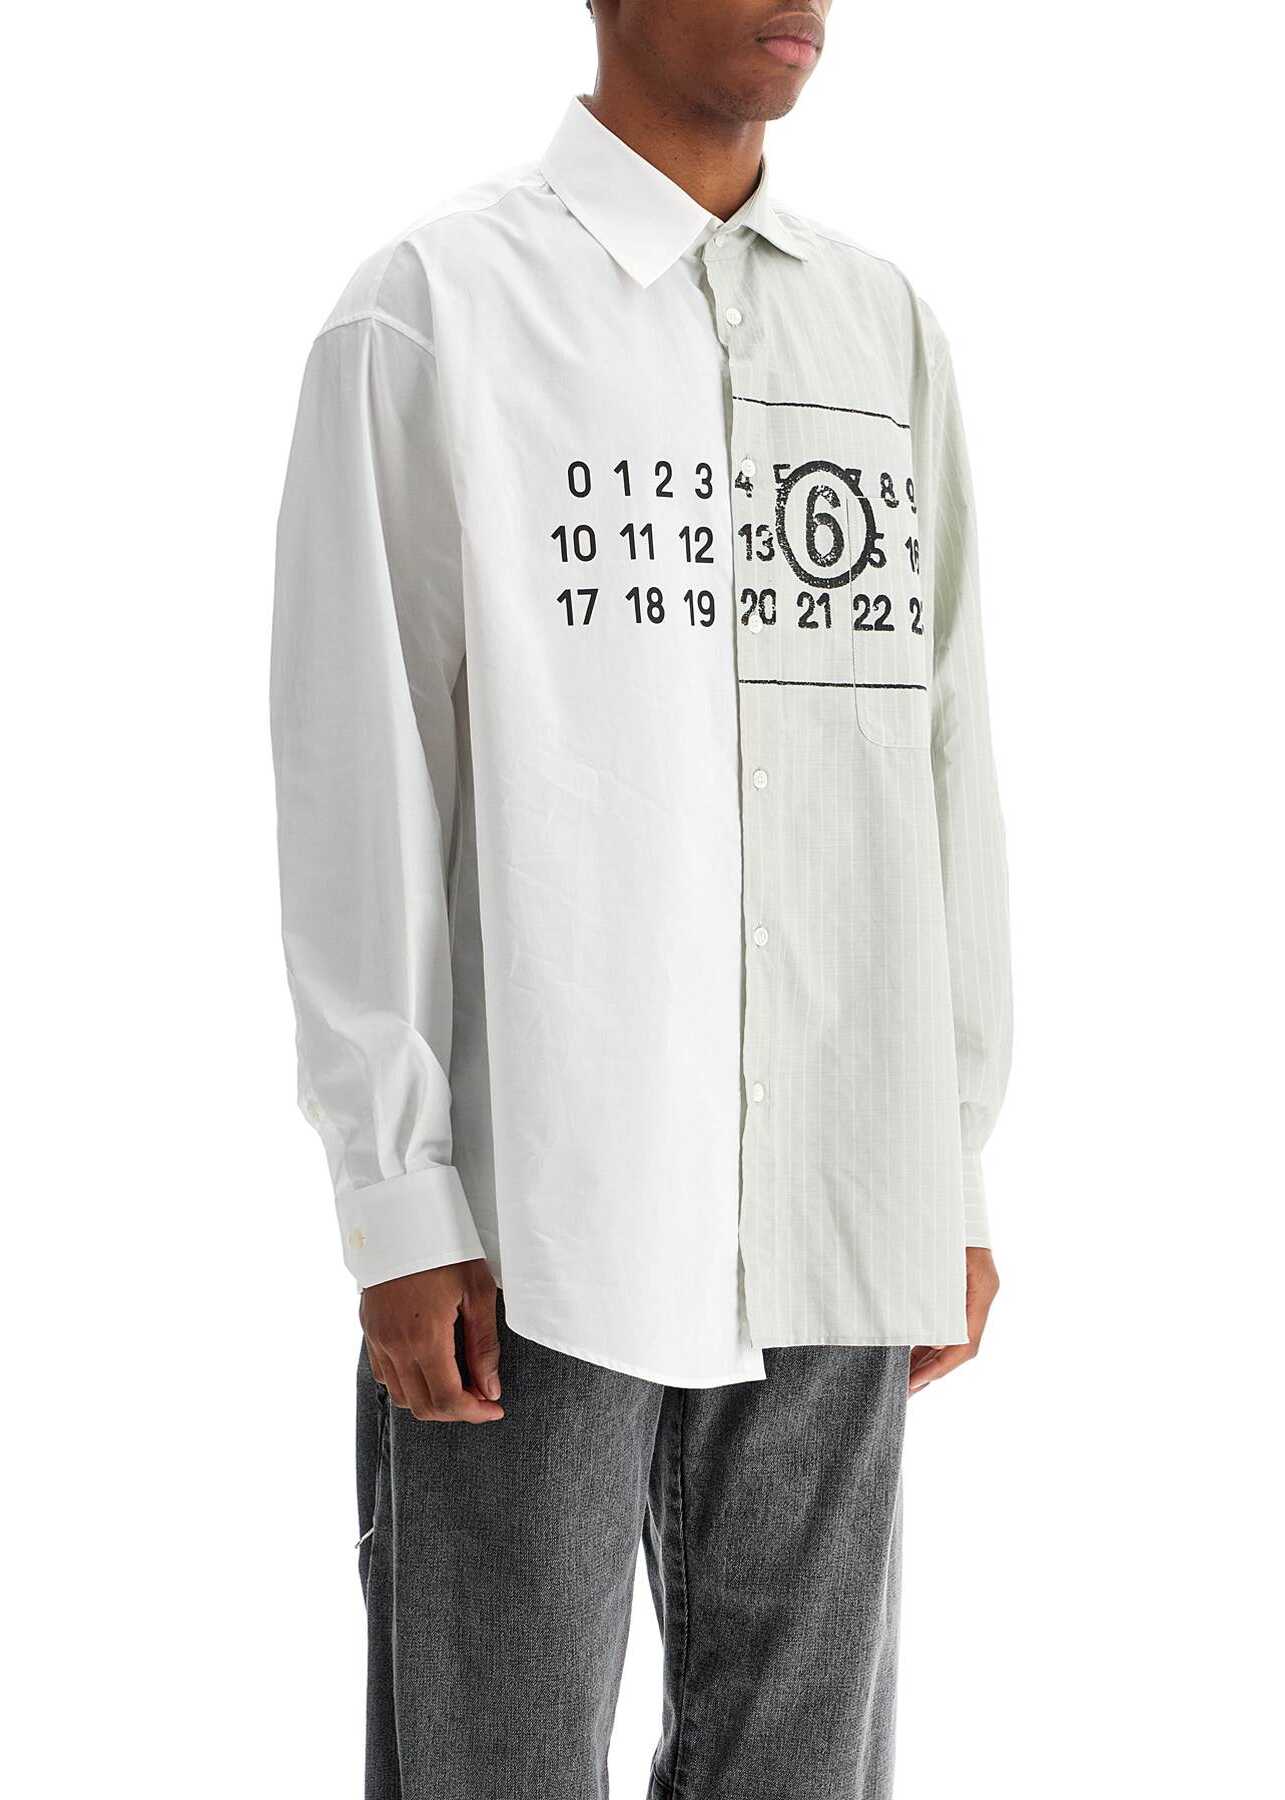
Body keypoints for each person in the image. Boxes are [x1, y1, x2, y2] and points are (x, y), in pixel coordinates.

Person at [271, 2, 1012, 1794]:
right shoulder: (435, 308)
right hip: (542, 1207)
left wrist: (945, 1161)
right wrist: (396, 1192)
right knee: (494, 1760)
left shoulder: (877, 324)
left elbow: (940, 744)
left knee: (802, 1765)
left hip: (839, 1184)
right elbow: (359, 762)